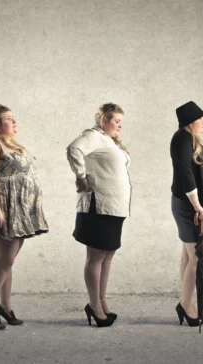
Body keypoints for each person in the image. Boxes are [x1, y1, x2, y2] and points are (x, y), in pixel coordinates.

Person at [0, 104, 49, 330]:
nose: (14, 122)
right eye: (8, 119)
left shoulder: (10, 144)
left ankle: (4, 307)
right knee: (2, 263)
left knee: (8, 262)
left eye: (13, 118)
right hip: (5, 207)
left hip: (19, 209)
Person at [66, 102, 131, 328]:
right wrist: (81, 177)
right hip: (99, 205)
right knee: (96, 257)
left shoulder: (109, 141)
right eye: (116, 121)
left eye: (121, 122)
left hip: (114, 207)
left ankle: (102, 301)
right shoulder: (93, 135)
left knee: (108, 255)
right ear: (104, 121)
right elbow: (74, 149)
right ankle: (94, 305)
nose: (120, 126)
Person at [170, 101, 203, 327]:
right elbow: (185, 173)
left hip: (195, 203)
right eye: (200, 119)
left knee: (189, 256)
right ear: (189, 122)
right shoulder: (181, 139)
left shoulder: (190, 140)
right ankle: (186, 305)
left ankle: (186, 303)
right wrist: (197, 204)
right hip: (190, 204)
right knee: (199, 256)